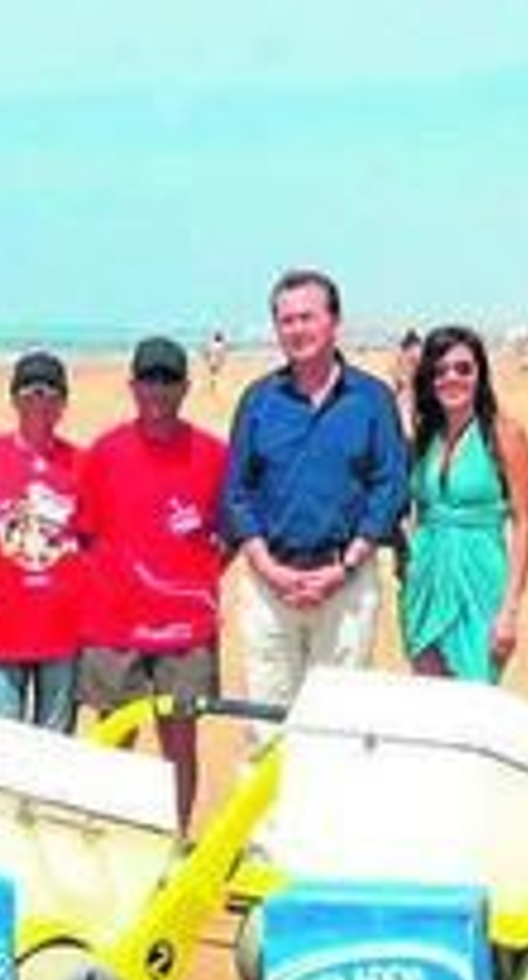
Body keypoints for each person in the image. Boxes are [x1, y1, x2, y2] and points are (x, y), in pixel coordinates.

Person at [220, 268, 410, 729]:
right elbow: (236, 493)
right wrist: (269, 569)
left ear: (334, 322)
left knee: (339, 724)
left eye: (308, 317)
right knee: (266, 724)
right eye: (286, 321)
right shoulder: (259, 400)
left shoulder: (372, 399)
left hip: (346, 583)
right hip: (270, 586)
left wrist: (344, 567)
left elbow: (390, 487)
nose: (297, 330)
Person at [78, 337, 229, 830]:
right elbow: (86, 535)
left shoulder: (212, 454)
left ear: (185, 386)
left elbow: (226, 536)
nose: (158, 391)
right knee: (115, 740)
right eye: (149, 380)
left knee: (178, 741)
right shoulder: (104, 452)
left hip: (184, 632)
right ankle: (112, 834)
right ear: (133, 386)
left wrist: (189, 581)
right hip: (115, 626)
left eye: (168, 380)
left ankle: (176, 836)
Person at [399, 324, 528, 682]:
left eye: (463, 368)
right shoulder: (425, 434)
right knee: (428, 705)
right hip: (426, 582)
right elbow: (417, 511)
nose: (451, 378)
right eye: (440, 371)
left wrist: (510, 609)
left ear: (480, 374)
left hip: (481, 582)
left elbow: (524, 523)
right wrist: (410, 560)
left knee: (477, 706)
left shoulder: (505, 433)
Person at [0, 351, 83, 732]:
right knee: (1, 744)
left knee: (56, 745)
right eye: (31, 391)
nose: (41, 400)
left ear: (64, 403)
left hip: (63, 629)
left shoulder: (83, 463)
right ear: (14, 398)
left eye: (51, 392)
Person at [391, 328, 423, 417]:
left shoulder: (401, 352)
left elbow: (396, 373)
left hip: (406, 388)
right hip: (409, 388)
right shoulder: (415, 351)